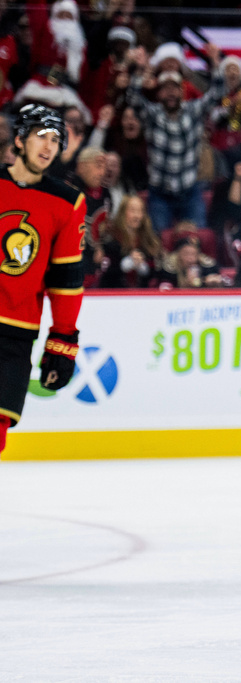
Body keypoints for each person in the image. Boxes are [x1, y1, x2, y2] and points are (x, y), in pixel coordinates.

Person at [0, 105, 86, 456]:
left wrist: (63, 337)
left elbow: (66, 278)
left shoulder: (67, 202)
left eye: (55, 140)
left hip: (16, 331)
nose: (48, 146)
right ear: (20, 139)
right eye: (41, 136)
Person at [126, 44, 224, 232]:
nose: (170, 93)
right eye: (165, 89)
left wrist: (215, 64)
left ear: (181, 91)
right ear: (159, 93)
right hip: (160, 193)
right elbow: (132, 97)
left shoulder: (193, 110)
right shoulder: (152, 114)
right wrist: (140, 70)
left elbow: (217, 95)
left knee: (197, 238)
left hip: (190, 191)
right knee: (159, 242)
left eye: (174, 88)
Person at [98, 194, 161, 288]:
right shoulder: (112, 239)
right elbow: (104, 274)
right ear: (123, 212)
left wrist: (143, 267)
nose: (137, 216)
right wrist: (123, 265)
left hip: (143, 297)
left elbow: (156, 274)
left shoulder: (149, 240)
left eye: (140, 211)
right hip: (114, 296)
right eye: (133, 211)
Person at [156, 236, 224, 290]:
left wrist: (207, 282)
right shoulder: (168, 270)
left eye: (194, 254)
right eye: (186, 254)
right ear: (177, 255)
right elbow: (164, 290)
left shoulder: (209, 267)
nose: (190, 258)